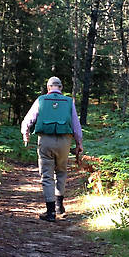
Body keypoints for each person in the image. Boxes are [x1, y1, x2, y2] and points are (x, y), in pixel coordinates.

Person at [21, 76, 84, 222]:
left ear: (48, 87)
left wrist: (26, 134)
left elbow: (28, 119)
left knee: (47, 175)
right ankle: (59, 207)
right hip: (65, 141)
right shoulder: (69, 102)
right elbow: (76, 124)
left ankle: (50, 213)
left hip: (45, 140)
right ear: (60, 88)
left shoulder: (41, 100)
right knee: (61, 171)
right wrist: (79, 143)